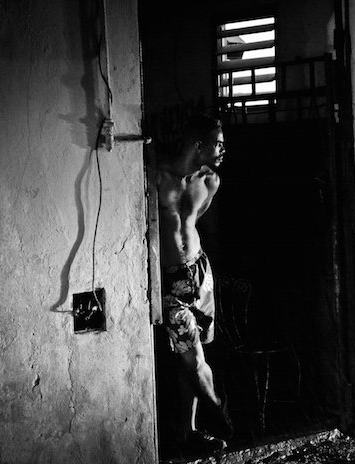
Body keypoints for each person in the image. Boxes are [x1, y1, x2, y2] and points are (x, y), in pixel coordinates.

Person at [156, 114, 232, 457]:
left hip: (200, 272)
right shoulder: (157, 176)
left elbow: (194, 222)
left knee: (194, 353)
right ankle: (219, 410)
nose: (222, 150)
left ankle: (187, 433)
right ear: (198, 144)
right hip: (170, 278)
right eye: (217, 144)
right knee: (191, 357)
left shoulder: (211, 180)